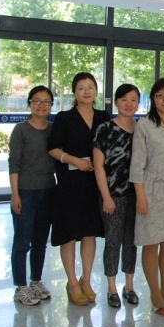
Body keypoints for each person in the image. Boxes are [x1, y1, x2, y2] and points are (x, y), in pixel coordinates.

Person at [48, 72, 110, 306]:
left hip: (95, 182)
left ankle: (86, 279)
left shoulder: (104, 116)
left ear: (96, 91)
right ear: (74, 92)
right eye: (81, 88)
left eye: (90, 87)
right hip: (70, 182)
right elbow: (53, 148)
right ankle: (72, 282)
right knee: (69, 232)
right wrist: (75, 160)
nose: (86, 91)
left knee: (89, 232)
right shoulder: (64, 117)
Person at [130, 78, 164, 316]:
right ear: (153, 98)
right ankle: (155, 294)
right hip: (150, 190)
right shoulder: (144, 126)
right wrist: (140, 195)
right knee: (151, 242)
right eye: (160, 95)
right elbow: (137, 163)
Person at [93, 84, 141, 308]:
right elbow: (98, 166)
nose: (129, 104)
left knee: (131, 242)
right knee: (112, 242)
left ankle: (129, 286)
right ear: (116, 102)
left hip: (136, 195)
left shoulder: (141, 128)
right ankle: (111, 288)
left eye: (133, 99)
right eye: (124, 99)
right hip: (112, 195)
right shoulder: (105, 129)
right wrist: (106, 197)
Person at [9, 85, 56, 306]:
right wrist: (15, 194)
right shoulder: (21, 130)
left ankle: (35, 281)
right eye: (37, 101)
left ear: (51, 105)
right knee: (22, 241)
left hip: (48, 191)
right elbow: (14, 164)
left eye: (46, 102)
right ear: (29, 103)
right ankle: (20, 287)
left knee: (40, 241)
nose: (41, 105)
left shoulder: (53, 130)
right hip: (25, 192)